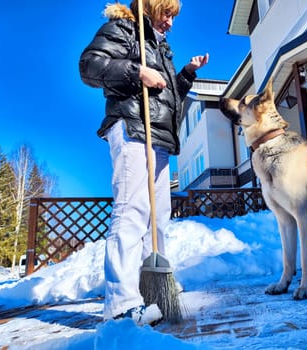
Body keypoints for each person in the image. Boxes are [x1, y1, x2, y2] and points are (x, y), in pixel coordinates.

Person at [79, 0, 209, 323]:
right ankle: (121, 304)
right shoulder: (125, 30)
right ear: (151, 7)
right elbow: (89, 66)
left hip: (158, 137)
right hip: (132, 128)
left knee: (158, 217)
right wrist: (137, 71)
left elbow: (167, 97)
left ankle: (156, 291)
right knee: (132, 210)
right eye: (167, 14)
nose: (171, 23)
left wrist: (186, 75)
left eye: (173, 17)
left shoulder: (160, 47)